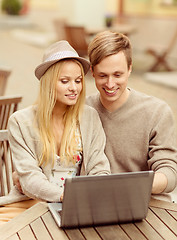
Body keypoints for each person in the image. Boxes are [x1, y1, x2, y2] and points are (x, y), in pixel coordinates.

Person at [0, 40, 110, 223]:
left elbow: (100, 168)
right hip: (29, 203)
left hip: (76, 206)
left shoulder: (89, 117)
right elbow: (29, 178)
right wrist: (65, 196)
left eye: (78, 81)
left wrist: (87, 197)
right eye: (65, 81)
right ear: (49, 83)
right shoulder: (21, 121)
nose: (74, 88)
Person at [86, 30, 177, 196]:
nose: (110, 83)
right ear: (92, 71)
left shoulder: (157, 112)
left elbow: (169, 173)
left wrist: (128, 187)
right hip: (94, 200)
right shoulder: (83, 110)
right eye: (102, 75)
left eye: (117, 74)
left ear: (130, 68)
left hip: (142, 200)